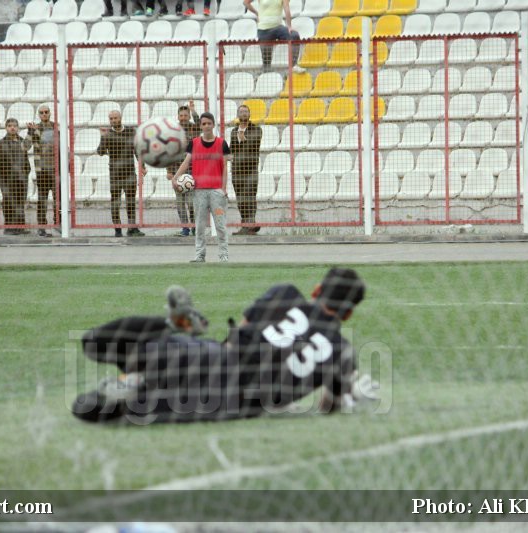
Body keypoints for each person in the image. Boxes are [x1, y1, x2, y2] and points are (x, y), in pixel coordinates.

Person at [71, 268, 369, 424]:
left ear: (317, 290)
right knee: (90, 408)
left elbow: (238, 333)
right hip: (228, 401)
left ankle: (169, 330)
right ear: (348, 314)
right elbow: (328, 408)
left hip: (208, 356)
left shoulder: (286, 293)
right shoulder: (342, 352)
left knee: (93, 342)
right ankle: (136, 386)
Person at [172, 112, 231, 263]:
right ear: (200, 126)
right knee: (199, 226)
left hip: (216, 193)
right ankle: (200, 255)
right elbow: (186, 162)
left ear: (213, 125)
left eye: (209, 123)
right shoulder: (194, 143)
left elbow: (225, 167)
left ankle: (223, 255)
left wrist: (223, 189)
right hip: (199, 192)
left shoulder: (222, 144)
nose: (206, 126)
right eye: (204, 124)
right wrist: (175, 177)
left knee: (220, 225)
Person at [98, 110, 145, 237]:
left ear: (120, 118)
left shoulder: (131, 131)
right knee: (115, 202)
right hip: (115, 174)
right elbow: (100, 152)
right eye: (111, 118)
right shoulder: (108, 134)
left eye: (115, 118)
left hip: (130, 172)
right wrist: (103, 137)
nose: (113, 120)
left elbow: (137, 150)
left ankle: (132, 229)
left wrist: (142, 166)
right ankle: (117, 230)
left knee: (131, 202)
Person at [0, 118, 32, 235]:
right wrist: (2, 173)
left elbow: (28, 147)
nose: (12, 128)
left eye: (15, 125)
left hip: (21, 177)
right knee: (8, 201)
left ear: (18, 128)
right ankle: (9, 228)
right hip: (7, 179)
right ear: (6, 128)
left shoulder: (22, 141)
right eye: (10, 126)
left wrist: (30, 132)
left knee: (20, 201)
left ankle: (20, 227)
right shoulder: (1, 143)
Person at [166, 100, 200, 237]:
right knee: (180, 203)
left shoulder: (194, 128)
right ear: (178, 116)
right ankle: (185, 228)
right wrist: (169, 171)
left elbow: (200, 123)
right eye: (181, 116)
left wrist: (193, 110)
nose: (183, 118)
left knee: (191, 203)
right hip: (176, 172)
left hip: (192, 171)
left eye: (186, 115)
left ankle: (195, 226)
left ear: (189, 116)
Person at [229, 105, 263, 236]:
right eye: (241, 112)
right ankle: (246, 225)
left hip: (251, 169)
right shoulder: (234, 131)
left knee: (250, 196)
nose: (243, 113)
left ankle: (250, 223)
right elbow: (232, 148)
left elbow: (255, 144)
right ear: (238, 115)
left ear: (249, 114)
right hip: (237, 170)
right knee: (240, 198)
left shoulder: (256, 129)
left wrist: (243, 139)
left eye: (246, 111)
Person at [244, 0, 304, 73]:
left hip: (278, 27)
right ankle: (266, 72)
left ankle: (293, 65)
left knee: (294, 35)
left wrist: (289, 26)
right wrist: (257, 13)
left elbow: (286, 8)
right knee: (266, 62)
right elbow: (246, 2)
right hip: (264, 29)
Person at [27, 105, 59, 237]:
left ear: (50, 113)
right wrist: (30, 132)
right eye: (41, 112)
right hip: (42, 170)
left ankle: (59, 224)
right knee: (42, 200)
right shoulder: (35, 128)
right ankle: (41, 227)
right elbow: (25, 147)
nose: (44, 114)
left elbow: (64, 146)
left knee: (58, 199)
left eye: (46, 112)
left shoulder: (57, 127)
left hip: (56, 169)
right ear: (39, 115)